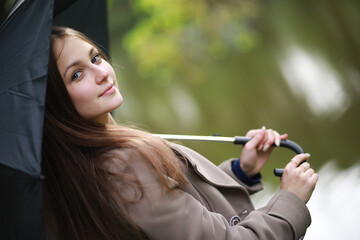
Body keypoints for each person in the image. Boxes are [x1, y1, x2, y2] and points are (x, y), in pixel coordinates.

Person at [42, 26, 318, 240]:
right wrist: (290, 200)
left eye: (95, 57)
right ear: (55, 102)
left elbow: (179, 204)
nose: (101, 73)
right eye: (76, 75)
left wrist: (241, 170)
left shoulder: (87, 163)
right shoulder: (122, 167)